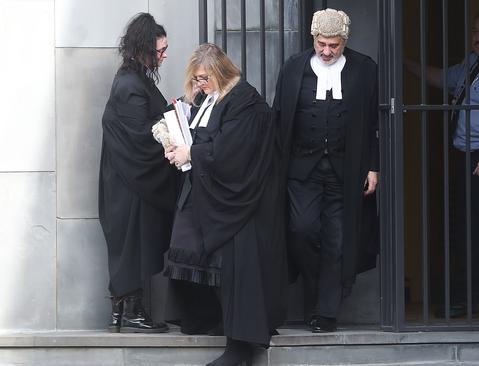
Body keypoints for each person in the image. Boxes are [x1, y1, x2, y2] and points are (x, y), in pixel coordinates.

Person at [163, 43, 286, 366]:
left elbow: (232, 151)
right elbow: (204, 140)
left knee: (239, 269)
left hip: (242, 201)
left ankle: (241, 344)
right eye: (197, 79)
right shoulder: (214, 98)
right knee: (187, 247)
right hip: (211, 192)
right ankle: (209, 320)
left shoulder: (246, 101)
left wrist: (193, 154)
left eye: (204, 78)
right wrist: (178, 148)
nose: (200, 85)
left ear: (219, 72)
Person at [272, 8, 379, 333]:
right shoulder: (293, 69)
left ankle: (326, 312)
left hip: (345, 171)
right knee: (302, 231)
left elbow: (375, 122)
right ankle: (317, 295)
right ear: (313, 38)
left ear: (344, 41)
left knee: (337, 239)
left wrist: (374, 167)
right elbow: (279, 118)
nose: (327, 51)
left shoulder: (363, 69)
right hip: (301, 169)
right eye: (322, 44)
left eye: (334, 45)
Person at [405, 9, 479, 318]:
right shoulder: (472, 63)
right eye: (476, 30)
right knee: (467, 232)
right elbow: (440, 77)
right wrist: (405, 63)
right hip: (465, 157)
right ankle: (468, 298)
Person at [98, 13, 178, 333]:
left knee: (132, 244)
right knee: (132, 244)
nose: (165, 56)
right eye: (160, 50)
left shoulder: (134, 78)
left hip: (128, 182)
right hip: (129, 184)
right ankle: (130, 310)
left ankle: (126, 310)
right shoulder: (131, 84)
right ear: (145, 48)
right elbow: (140, 136)